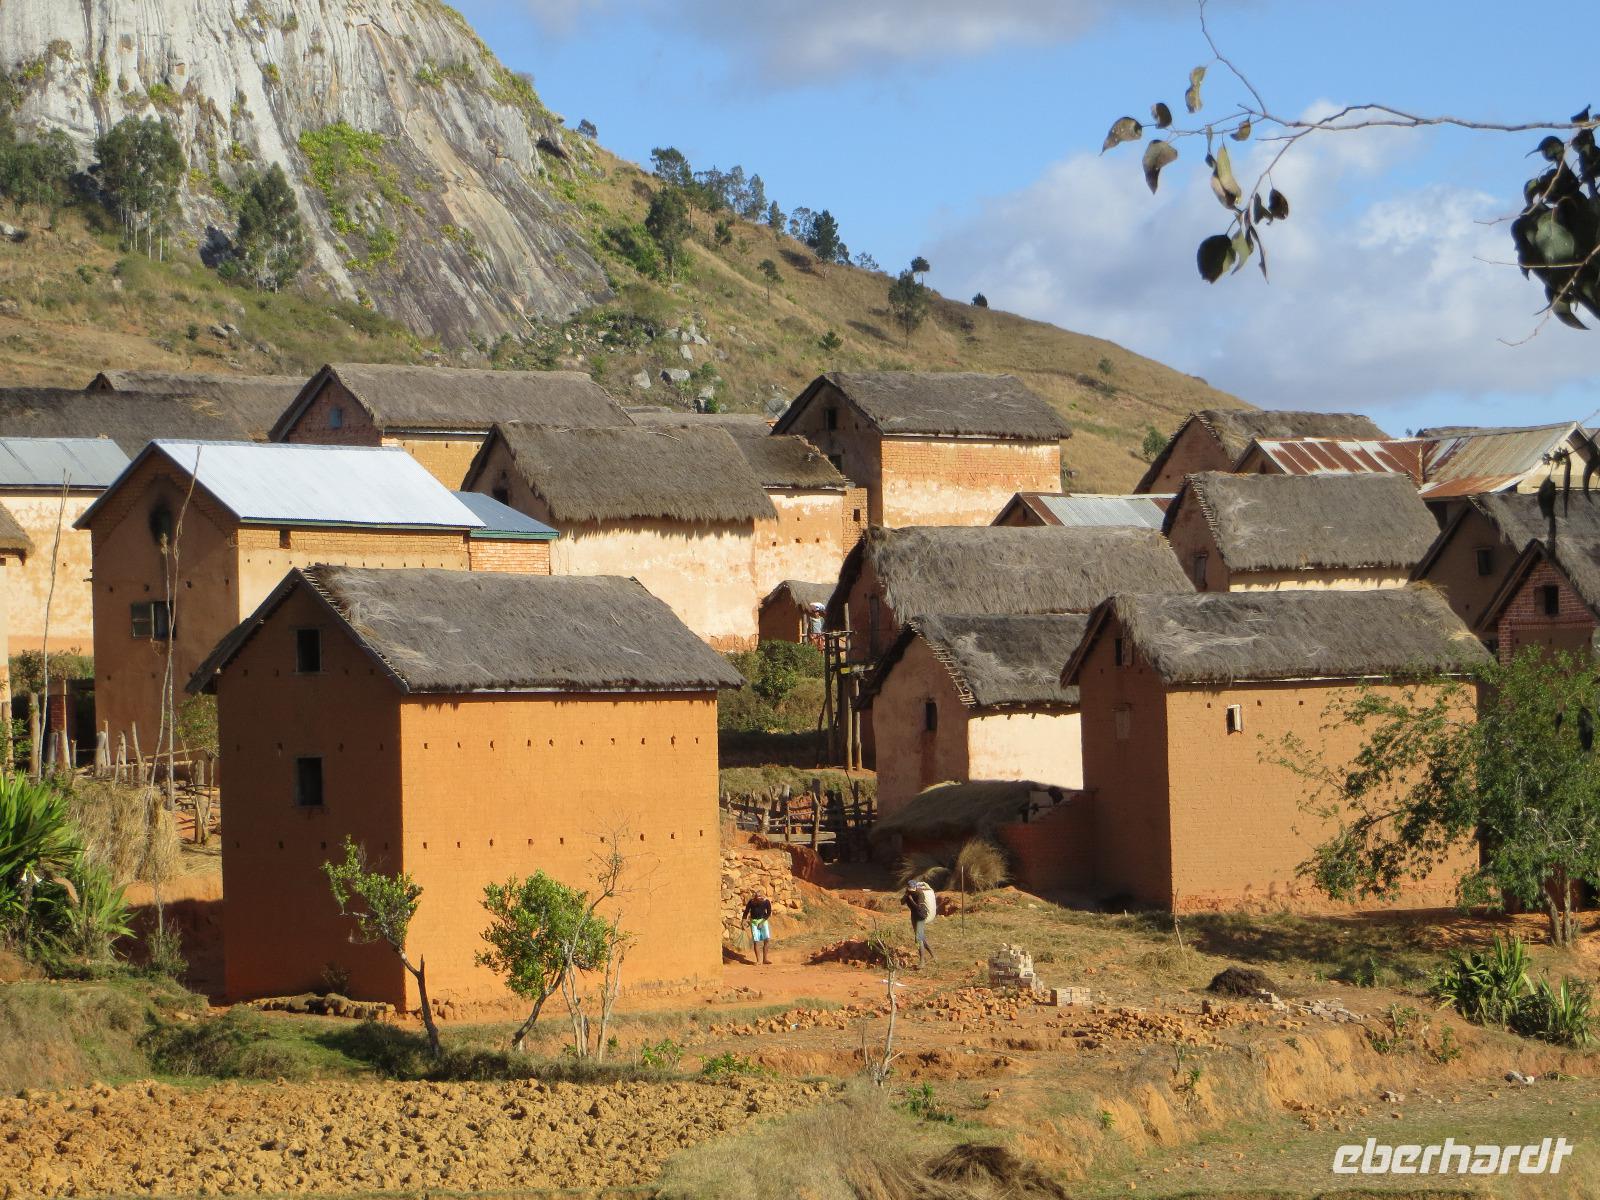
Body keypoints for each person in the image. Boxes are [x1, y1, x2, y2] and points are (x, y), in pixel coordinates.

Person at [902, 880, 936, 966]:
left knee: (918, 938)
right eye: (909, 889)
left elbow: (918, 907)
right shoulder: (908, 892)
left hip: (921, 915)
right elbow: (902, 902)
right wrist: (906, 896)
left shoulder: (920, 893)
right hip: (914, 915)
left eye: (912, 889)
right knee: (920, 937)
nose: (910, 890)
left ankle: (922, 961)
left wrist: (911, 899)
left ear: (915, 887)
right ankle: (934, 956)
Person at [742, 891, 773, 964]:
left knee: (767, 939)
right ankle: (758, 960)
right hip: (753, 922)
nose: (758, 899)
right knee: (756, 941)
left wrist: (762, 922)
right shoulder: (751, 902)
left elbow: (768, 913)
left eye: (760, 897)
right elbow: (746, 912)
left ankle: (765, 959)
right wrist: (743, 921)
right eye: (757, 897)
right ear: (755, 897)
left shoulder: (766, 902)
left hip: (763, 921)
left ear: (762, 897)